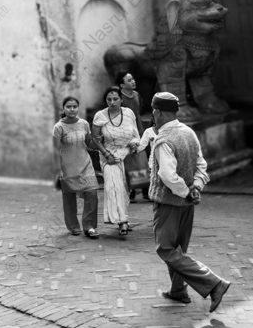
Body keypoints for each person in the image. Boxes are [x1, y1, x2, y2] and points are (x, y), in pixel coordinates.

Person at [148, 92, 231, 311]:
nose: (153, 116)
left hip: (169, 203)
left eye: (153, 112)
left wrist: (186, 192)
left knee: (166, 249)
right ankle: (178, 291)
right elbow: (201, 165)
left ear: (157, 112)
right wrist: (196, 187)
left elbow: (167, 175)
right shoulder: (189, 132)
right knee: (178, 250)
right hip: (187, 204)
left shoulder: (163, 140)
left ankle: (214, 283)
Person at [91, 86, 140, 237]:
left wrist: (134, 144)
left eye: (115, 99)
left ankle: (123, 217)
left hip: (126, 154)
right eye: (109, 99)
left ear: (121, 100)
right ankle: (122, 221)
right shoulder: (100, 116)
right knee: (113, 187)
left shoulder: (129, 113)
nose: (112, 102)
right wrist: (107, 154)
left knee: (124, 189)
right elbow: (95, 138)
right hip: (109, 156)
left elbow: (135, 134)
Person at [52, 97, 99, 239]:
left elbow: (89, 142)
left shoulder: (84, 124)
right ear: (64, 108)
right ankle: (73, 226)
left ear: (78, 108)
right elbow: (55, 150)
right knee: (69, 197)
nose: (72, 109)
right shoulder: (58, 127)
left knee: (92, 193)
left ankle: (89, 226)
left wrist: (98, 142)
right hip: (67, 167)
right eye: (68, 106)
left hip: (85, 164)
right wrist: (58, 169)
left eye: (74, 106)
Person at [117, 72, 149, 201]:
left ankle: (146, 191)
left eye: (133, 79)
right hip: (126, 134)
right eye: (129, 80)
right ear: (122, 85)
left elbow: (139, 110)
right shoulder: (119, 99)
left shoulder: (136, 95)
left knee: (143, 161)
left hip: (139, 131)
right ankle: (132, 192)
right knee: (130, 162)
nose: (133, 81)